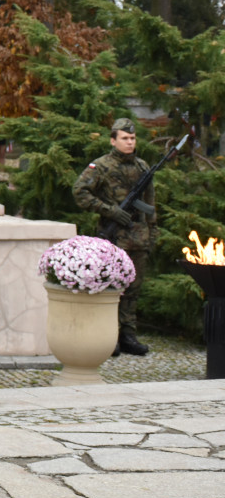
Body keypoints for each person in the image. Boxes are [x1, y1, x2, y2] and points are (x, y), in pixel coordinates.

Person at [72, 118, 157, 356]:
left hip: (138, 238)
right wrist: (110, 211)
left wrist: (152, 233)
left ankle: (128, 335)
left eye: (132, 138)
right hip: (113, 237)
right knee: (111, 287)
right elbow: (80, 192)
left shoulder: (142, 167)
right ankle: (109, 336)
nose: (130, 142)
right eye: (124, 138)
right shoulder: (100, 166)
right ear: (113, 140)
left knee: (133, 290)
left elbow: (150, 204)